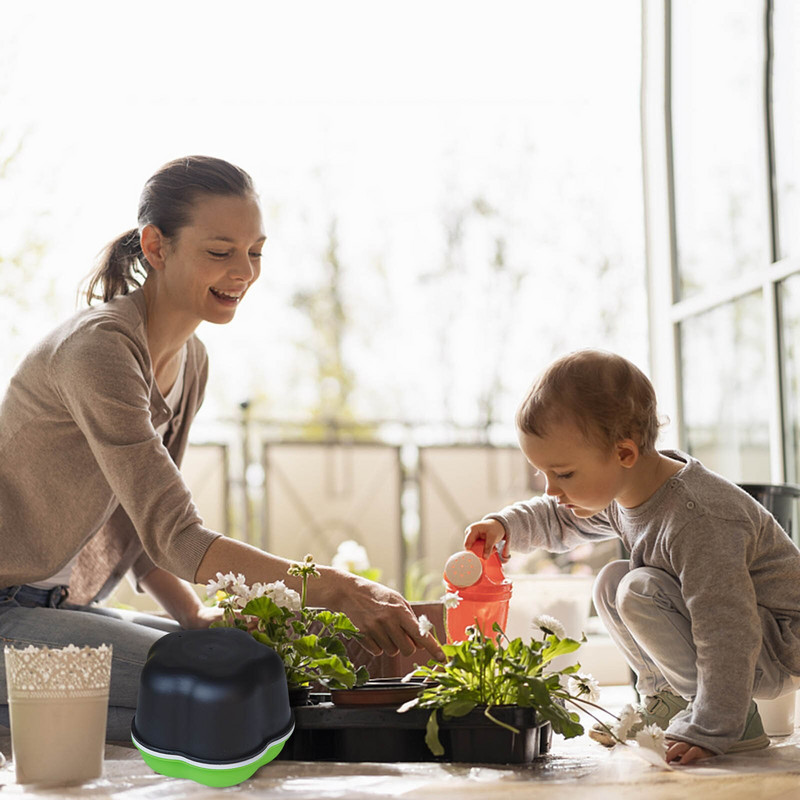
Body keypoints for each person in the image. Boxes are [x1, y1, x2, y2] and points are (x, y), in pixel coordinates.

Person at [0, 155, 442, 740]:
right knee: (234, 689)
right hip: (10, 613)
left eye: (255, 251)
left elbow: (142, 529)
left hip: (56, 611)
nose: (244, 271)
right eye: (220, 251)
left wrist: (193, 615)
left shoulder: (191, 362)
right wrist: (338, 587)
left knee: (268, 673)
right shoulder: (99, 351)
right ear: (155, 247)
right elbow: (175, 534)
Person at [464, 349, 800, 765]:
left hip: (778, 645)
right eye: (544, 474)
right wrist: (505, 526)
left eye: (564, 474)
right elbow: (556, 518)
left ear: (624, 453)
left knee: (638, 588)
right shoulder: (626, 488)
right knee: (612, 581)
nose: (552, 488)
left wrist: (716, 725)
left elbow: (728, 626)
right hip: (749, 638)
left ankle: (735, 719)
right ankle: (667, 700)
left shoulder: (698, 519)